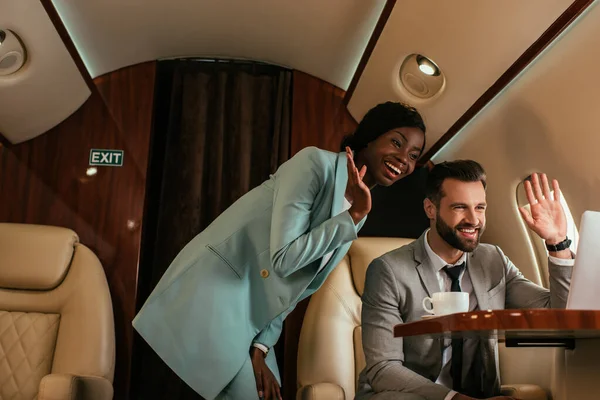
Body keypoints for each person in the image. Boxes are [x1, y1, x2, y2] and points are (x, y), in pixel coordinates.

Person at [133, 101, 427, 400]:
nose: (404, 159)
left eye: (414, 155)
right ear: (370, 136)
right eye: (396, 142)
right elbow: (284, 260)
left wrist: (260, 347)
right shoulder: (315, 165)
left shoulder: (358, 209)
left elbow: (295, 289)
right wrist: (350, 217)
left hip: (252, 319)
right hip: (217, 295)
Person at [356, 160, 575, 400]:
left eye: (480, 207)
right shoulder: (389, 270)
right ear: (431, 209)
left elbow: (560, 315)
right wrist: (455, 399)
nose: (474, 219)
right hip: (410, 396)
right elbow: (383, 369)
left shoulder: (493, 260)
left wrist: (557, 243)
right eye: (460, 207)